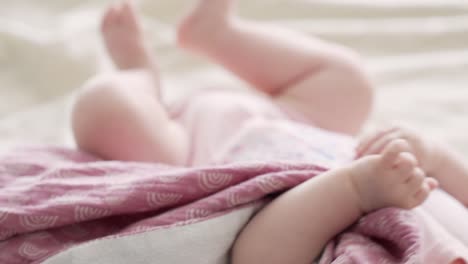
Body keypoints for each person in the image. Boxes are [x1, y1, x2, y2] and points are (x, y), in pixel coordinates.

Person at [70, 1, 440, 263]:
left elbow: (259, 255)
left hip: (196, 161)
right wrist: (423, 149)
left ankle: (139, 75)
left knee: (107, 111)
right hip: (302, 124)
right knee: (349, 84)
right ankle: (218, 34)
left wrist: (356, 191)